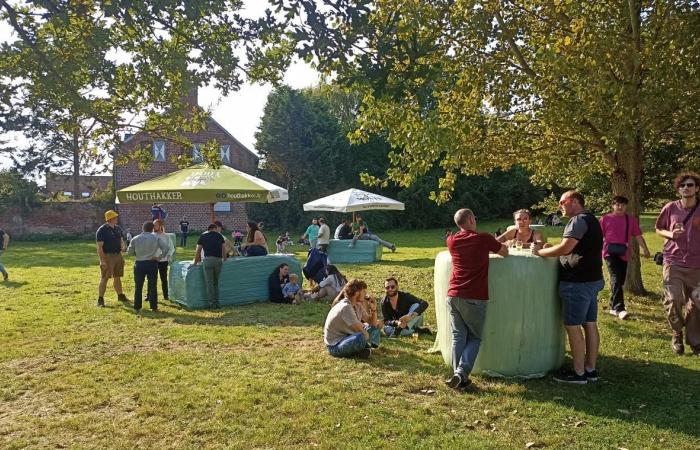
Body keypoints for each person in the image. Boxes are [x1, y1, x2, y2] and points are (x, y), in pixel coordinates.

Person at [532, 191, 604, 384]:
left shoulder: (578, 220)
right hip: (592, 279)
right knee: (589, 324)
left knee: (573, 327)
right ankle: (590, 369)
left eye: (562, 202)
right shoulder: (591, 219)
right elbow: (575, 247)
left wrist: (541, 252)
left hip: (577, 282)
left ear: (573, 202)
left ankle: (578, 374)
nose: (560, 206)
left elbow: (566, 248)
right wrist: (551, 247)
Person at [445, 208, 508, 390]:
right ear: (472, 219)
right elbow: (504, 252)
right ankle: (461, 373)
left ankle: (459, 377)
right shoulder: (483, 238)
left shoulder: (451, 241)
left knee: (458, 336)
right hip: (474, 296)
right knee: (474, 337)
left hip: (453, 294)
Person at [655, 171, 700, 356]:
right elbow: (658, 228)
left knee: (696, 303)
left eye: (690, 185)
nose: (686, 188)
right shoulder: (670, 208)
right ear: (678, 190)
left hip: (697, 265)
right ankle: (677, 333)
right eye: (682, 185)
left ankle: (695, 342)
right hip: (673, 262)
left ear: (697, 188)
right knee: (673, 300)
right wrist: (671, 235)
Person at [600, 196, 651, 320]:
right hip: (609, 253)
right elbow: (597, 236)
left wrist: (645, 249)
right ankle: (620, 308)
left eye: (622, 205)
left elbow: (638, 235)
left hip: (624, 253)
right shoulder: (605, 219)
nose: (620, 207)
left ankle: (612, 306)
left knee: (620, 281)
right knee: (616, 279)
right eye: (617, 204)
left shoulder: (630, 220)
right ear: (612, 205)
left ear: (626, 206)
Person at [323, 279, 376, 359]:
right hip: (335, 346)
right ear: (356, 293)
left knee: (373, 328)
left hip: (347, 337)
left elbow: (372, 324)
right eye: (364, 292)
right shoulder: (345, 307)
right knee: (361, 336)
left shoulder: (357, 305)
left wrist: (373, 310)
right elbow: (361, 331)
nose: (366, 295)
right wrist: (367, 332)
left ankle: (360, 350)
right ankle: (362, 349)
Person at [127, 221, 170, 312]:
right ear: (152, 229)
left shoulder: (135, 238)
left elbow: (129, 252)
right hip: (152, 262)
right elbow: (166, 248)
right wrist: (160, 257)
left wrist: (137, 253)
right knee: (152, 285)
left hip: (139, 263)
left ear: (143, 228)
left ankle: (137, 307)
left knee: (138, 286)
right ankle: (153, 307)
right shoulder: (156, 238)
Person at [96, 210, 129, 307]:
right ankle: (100, 299)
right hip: (107, 255)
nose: (117, 218)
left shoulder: (118, 228)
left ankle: (120, 295)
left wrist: (123, 247)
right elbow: (99, 247)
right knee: (105, 277)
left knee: (117, 276)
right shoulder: (102, 230)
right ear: (110, 219)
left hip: (118, 255)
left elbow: (121, 239)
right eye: (115, 217)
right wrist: (102, 260)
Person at [194, 223, 227, 309]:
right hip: (218, 260)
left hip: (208, 260)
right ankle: (218, 303)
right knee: (216, 282)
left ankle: (212, 304)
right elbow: (224, 248)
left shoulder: (203, 236)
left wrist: (195, 262)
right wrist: (225, 259)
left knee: (209, 283)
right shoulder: (219, 236)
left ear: (208, 229)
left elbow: (198, 251)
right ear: (215, 228)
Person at [153, 219, 176, 301]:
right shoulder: (151, 235)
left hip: (163, 261)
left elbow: (171, 247)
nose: (154, 226)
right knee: (152, 279)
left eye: (156, 225)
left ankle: (165, 296)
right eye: (153, 224)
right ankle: (150, 295)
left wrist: (168, 256)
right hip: (153, 260)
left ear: (160, 226)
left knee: (163, 279)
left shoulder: (166, 236)